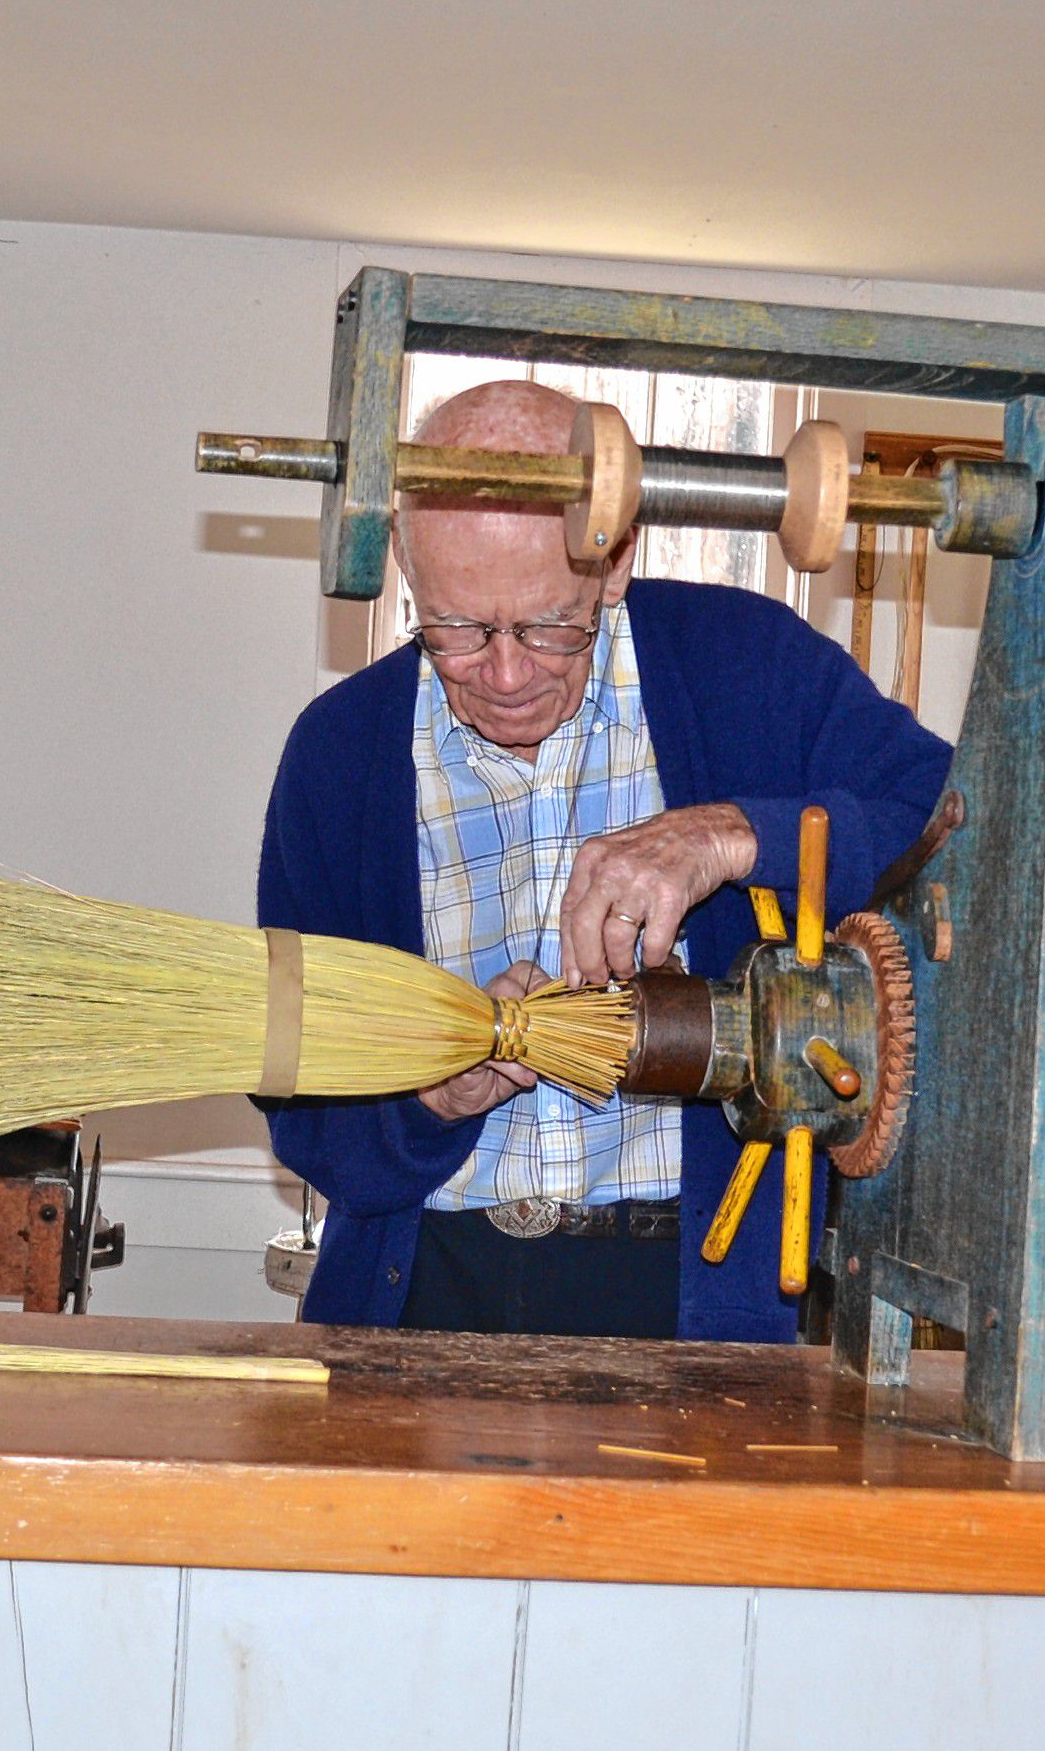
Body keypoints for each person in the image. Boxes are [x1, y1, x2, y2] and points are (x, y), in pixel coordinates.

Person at [257, 380, 951, 1341]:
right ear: (407, 576)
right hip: (418, 1293)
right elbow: (298, 1098)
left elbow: (948, 824)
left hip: (687, 1297)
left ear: (615, 561)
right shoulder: (337, 753)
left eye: (548, 626)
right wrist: (425, 1104)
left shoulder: (747, 665)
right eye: (455, 630)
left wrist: (728, 836)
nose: (503, 673)